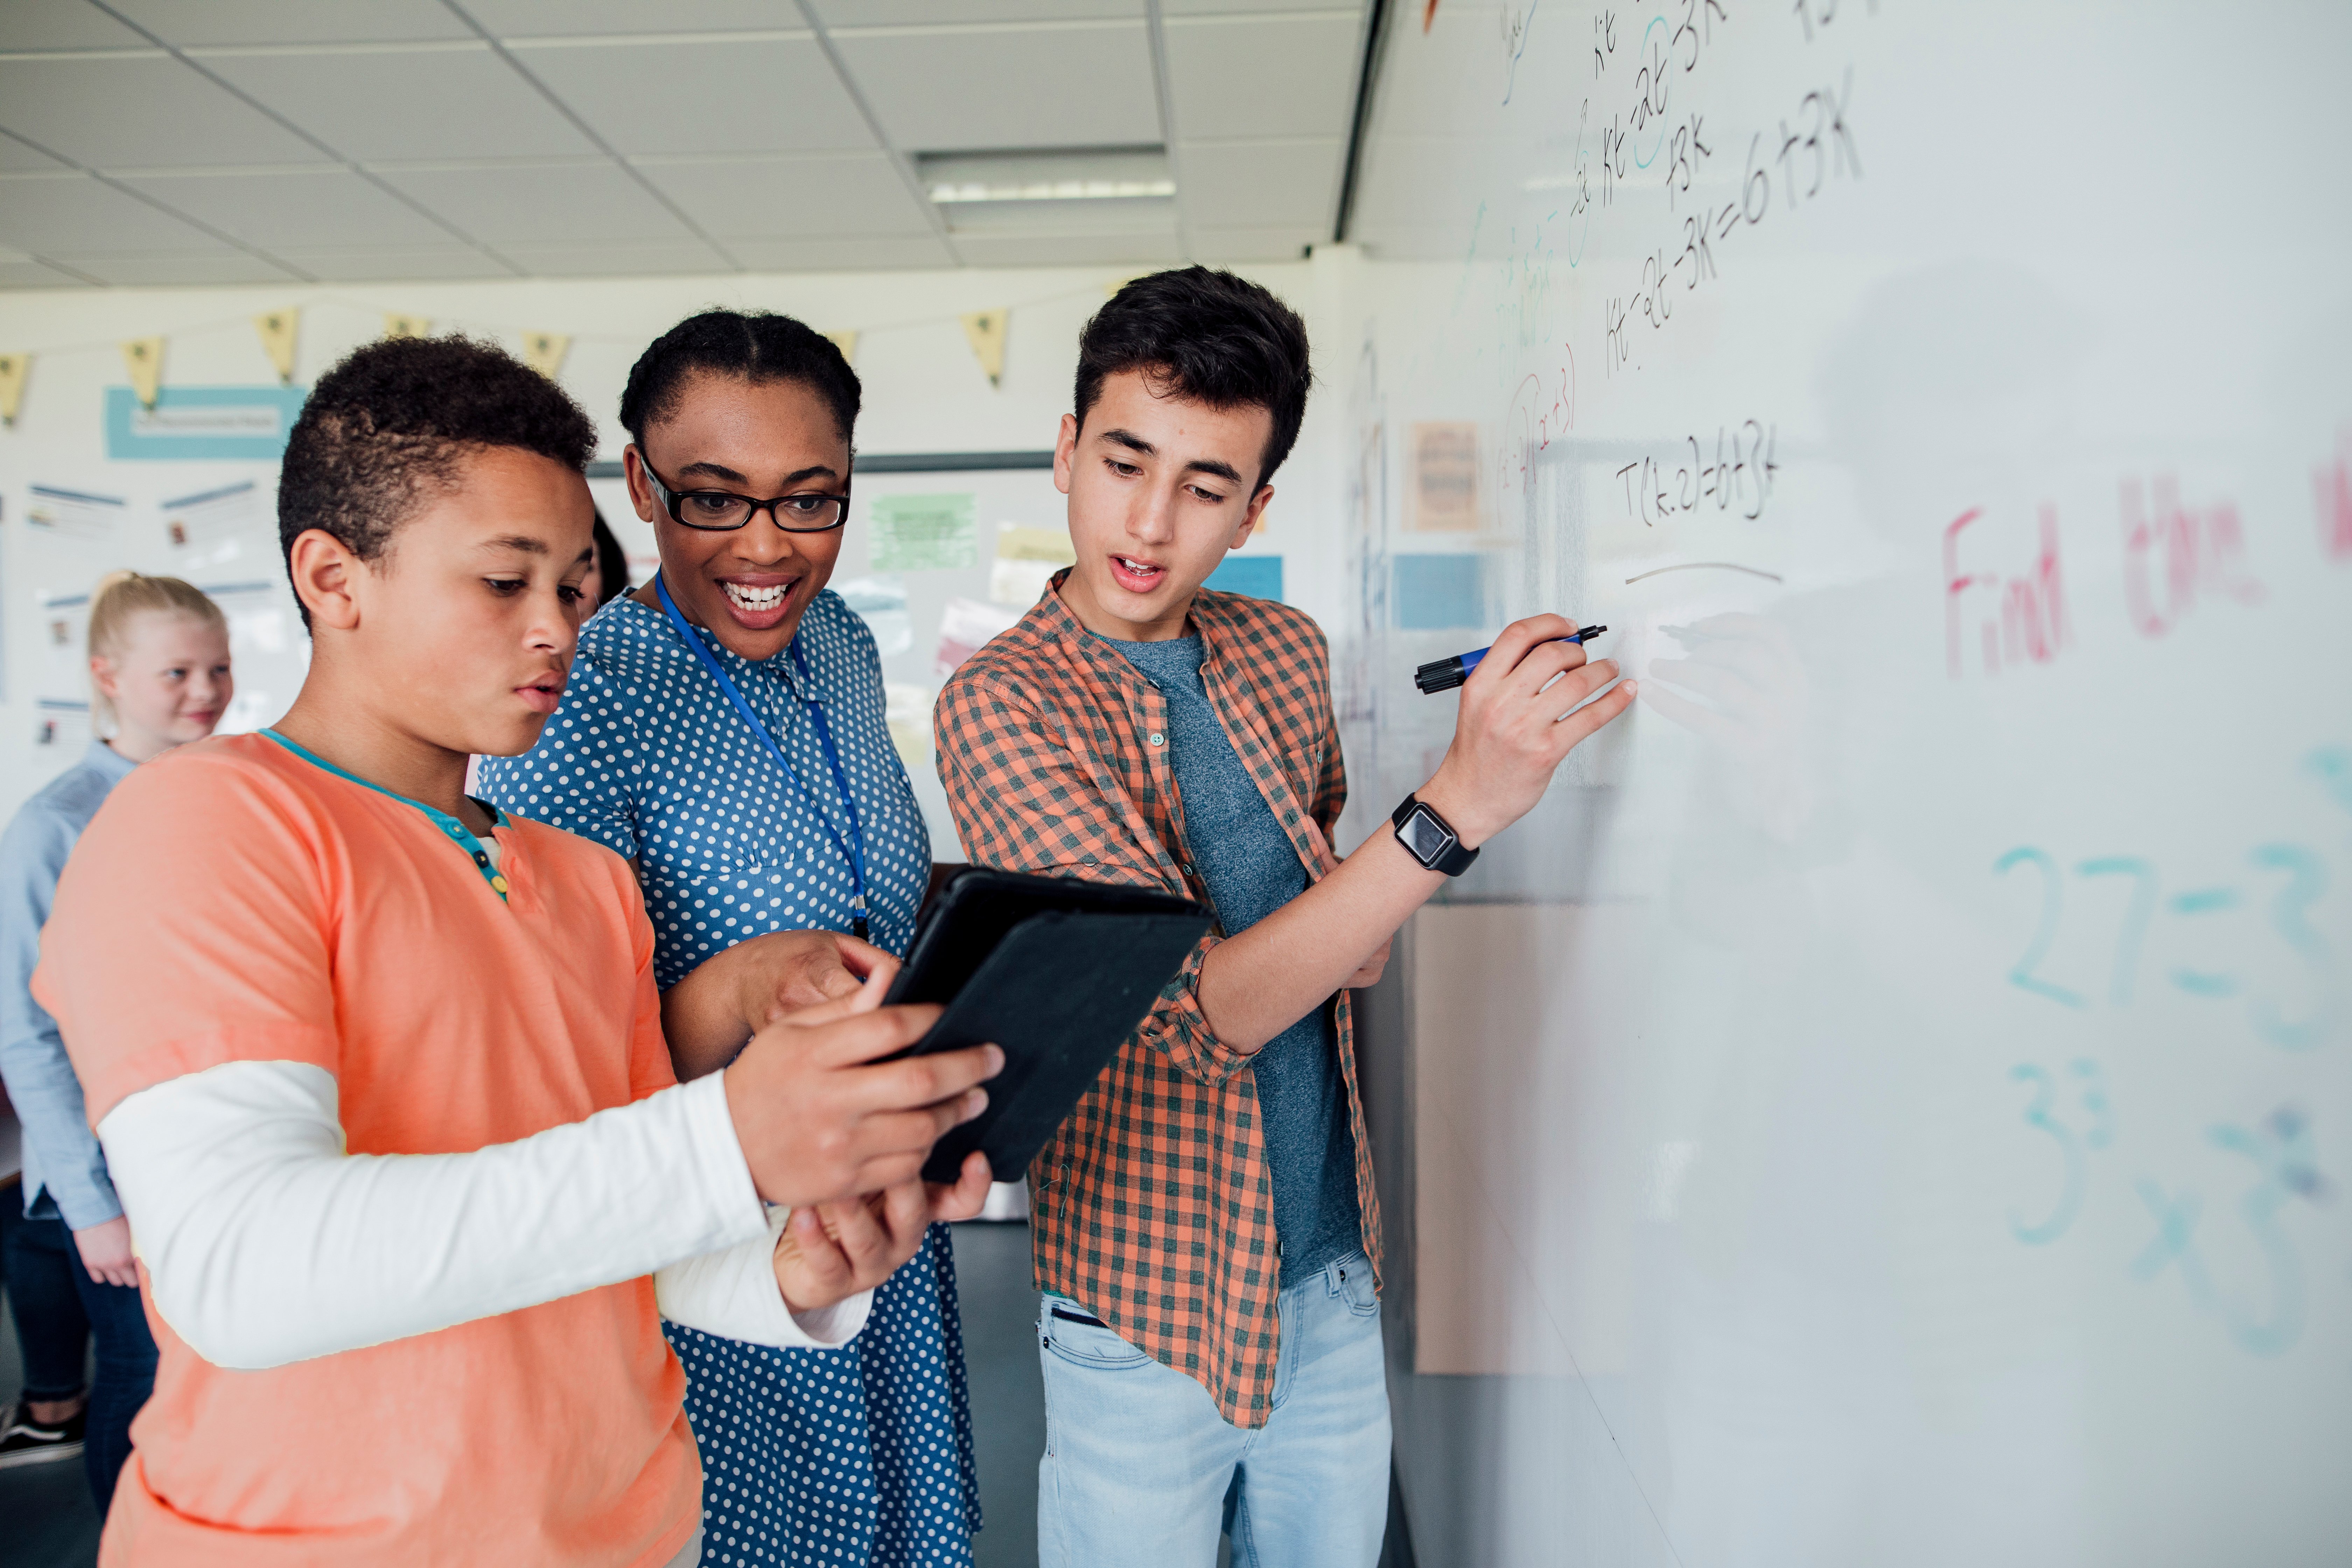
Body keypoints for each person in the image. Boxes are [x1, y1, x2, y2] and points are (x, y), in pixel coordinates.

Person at [31, 335, 1000, 1568]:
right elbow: (243, 1265)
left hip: (629, 1533)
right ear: (334, 577)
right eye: (504, 583)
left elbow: (613, 1246)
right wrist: (727, 1139)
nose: (557, 629)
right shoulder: (206, 825)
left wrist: (790, 1268)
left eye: (577, 585)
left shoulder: (584, 882)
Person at [933, 267, 1636, 1567]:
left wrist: (1354, 904)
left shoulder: (1284, 650)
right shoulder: (1004, 703)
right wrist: (1450, 812)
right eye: (1124, 462)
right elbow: (1198, 1018)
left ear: (1255, 506)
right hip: (1146, 1304)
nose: (1150, 522)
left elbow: (1344, 936)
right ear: (1066, 452)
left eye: (1206, 487)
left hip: (1330, 1272)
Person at [481, 309, 984, 1567]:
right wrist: (741, 984)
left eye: (810, 503)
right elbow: (551, 1061)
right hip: (715, 1249)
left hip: (881, 1224)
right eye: (715, 500)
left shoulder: (846, 647)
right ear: (643, 487)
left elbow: (872, 886)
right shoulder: (583, 689)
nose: (767, 547)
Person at [0, 571, 230, 1510]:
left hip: (210, 1144)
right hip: (112, 1174)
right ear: (107, 676)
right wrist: (91, 1205)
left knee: (209, 1377)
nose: (206, 692)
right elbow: (28, 1035)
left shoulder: (231, 792)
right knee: (141, 1380)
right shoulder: (54, 826)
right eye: (177, 672)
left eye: (219, 668)